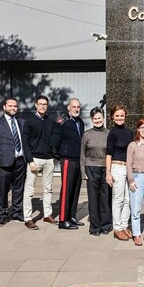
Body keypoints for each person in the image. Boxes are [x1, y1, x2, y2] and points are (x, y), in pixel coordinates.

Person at [22, 95, 57, 230]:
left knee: (48, 189)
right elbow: (25, 142)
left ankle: (47, 215)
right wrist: (30, 160)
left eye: (45, 104)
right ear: (36, 105)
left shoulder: (51, 121)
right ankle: (28, 218)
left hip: (48, 159)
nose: (43, 106)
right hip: (35, 159)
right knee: (30, 190)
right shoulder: (29, 121)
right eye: (40, 104)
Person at [51, 98, 85, 230]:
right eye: (74, 106)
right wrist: (61, 157)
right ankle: (62, 220)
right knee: (66, 190)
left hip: (78, 160)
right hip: (67, 160)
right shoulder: (62, 122)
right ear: (68, 107)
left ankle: (71, 217)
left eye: (78, 107)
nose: (76, 109)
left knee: (75, 190)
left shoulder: (80, 122)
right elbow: (54, 142)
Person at [80, 107, 112, 236]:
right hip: (91, 167)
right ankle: (95, 227)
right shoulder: (87, 134)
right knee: (93, 198)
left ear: (103, 118)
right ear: (92, 120)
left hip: (106, 167)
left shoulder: (109, 134)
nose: (97, 120)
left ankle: (105, 225)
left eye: (99, 118)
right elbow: (82, 154)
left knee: (105, 197)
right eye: (95, 119)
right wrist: (83, 172)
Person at [106, 104, 133, 241]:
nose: (119, 118)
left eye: (122, 115)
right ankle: (117, 228)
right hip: (116, 167)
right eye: (117, 116)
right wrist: (108, 173)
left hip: (128, 168)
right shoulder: (112, 133)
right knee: (118, 199)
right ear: (112, 117)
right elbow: (109, 154)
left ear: (125, 116)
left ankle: (123, 225)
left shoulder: (129, 132)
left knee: (128, 199)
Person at [126, 119, 144, 246]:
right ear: (138, 129)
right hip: (137, 177)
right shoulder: (132, 145)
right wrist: (131, 180)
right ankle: (136, 234)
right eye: (142, 127)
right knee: (136, 209)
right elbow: (128, 163)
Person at [0, 98, 26, 226]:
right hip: (4, 162)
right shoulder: (0, 123)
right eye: (10, 106)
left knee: (18, 188)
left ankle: (16, 212)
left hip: (20, 161)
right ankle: (2, 214)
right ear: (4, 107)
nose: (13, 108)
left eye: (15, 106)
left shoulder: (21, 122)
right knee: (2, 190)